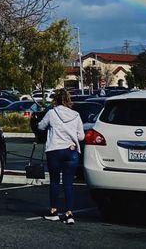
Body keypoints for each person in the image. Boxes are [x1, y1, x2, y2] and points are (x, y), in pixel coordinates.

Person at [37, 88, 85, 225]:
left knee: (54, 182)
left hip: (54, 150)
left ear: (55, 100)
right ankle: (69, 213)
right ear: (68, 100)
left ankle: (53, 211)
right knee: (68, 183)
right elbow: (81, 136)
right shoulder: (76, 115)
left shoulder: (51, 113)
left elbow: (41, 126)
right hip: (71, 151)